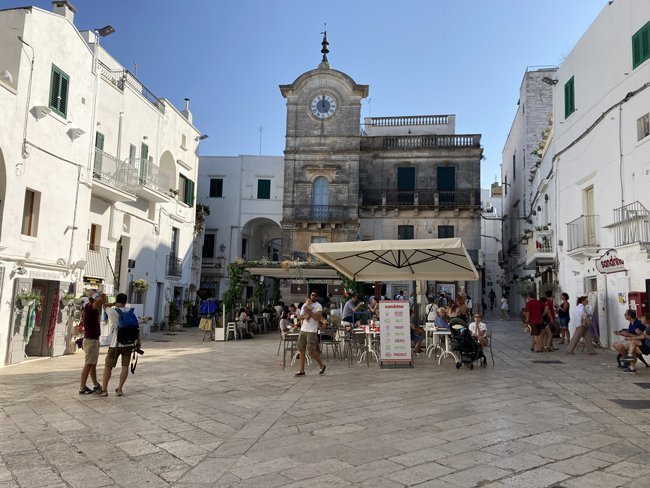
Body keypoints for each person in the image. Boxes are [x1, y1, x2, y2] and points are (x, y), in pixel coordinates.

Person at [95, 293, 140, 397]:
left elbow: (104, 305)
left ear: (117, 301)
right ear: (125, 301)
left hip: (116, 344)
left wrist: (114, 303)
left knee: (108, 366)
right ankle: (119, 389)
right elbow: (137, 327)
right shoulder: (132, 311)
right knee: (125, 366)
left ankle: (104, 389)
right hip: (129, 344)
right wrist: (139, 341)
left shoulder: (114, 312)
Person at [78, 290, 106, 394]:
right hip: (91, 340)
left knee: (92, 364)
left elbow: (102, 302)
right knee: (89, 364)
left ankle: (96, 384)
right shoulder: (91, 307)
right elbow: (99, 301)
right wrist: (97, 294)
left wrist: (101, 295)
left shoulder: (88, 307)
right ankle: (82, 386)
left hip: (91, 339)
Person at [295, 291, 326, 377]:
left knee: (311, 350)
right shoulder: (304, 305)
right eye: (312, 295)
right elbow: (299, 317)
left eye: (315, 296)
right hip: (303, 329)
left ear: (317, 297)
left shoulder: (318, 306)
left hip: (312, 330)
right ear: (310, 296)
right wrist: (305, 315)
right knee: (301, 349)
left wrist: (309, 312)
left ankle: (322, 366)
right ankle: (301, 370)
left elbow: (318, 318)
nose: (313, 297)